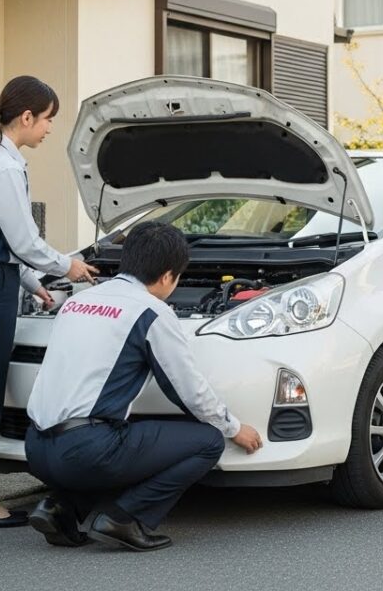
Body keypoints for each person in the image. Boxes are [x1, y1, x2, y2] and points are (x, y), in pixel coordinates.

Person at [24, 221, 263, 551]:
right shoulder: (151, 311)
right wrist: (234, 428)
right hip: (84, 451)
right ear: (167, 276)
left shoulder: (79, 301)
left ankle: (60, 507)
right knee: (207, 441)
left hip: (36, 447)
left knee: (119, 435)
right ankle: (125, 518)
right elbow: (189, 390)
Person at [0, 75, 99, 528]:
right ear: (26, 117)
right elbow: (24, 240)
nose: (50, 129)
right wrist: (65, 267)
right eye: (48, 119)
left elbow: (0, 241)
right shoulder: (6, 169)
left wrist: (33, 284)